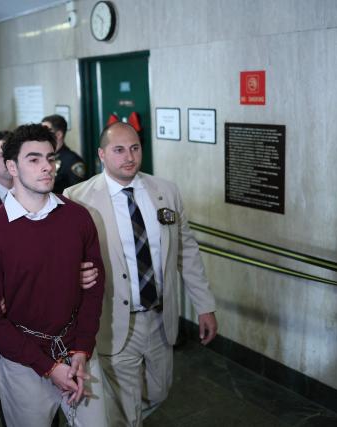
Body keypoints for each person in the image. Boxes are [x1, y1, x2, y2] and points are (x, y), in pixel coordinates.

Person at [64, 122, 218, 426]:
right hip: (114, 320)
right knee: (125, 410)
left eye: (135, 148)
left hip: (160, 319)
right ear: (101, 155)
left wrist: (205, 305)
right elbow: (64, 260)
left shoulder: (165, 191)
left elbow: (185, 250)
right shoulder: (77, 198)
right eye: (118, 150)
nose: (129, 157)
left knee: (159, 391)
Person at [0, 124, 107, 427]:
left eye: (50, 158)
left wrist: (83, 348)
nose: (47, 166)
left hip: (77, 353)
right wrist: (47, 367)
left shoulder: (78, 217)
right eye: (34, 159)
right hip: (22, 361)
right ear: (11, 167)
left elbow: (95, 287)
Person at [41, 114, 86, 194]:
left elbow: (79, 194)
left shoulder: (72, 161)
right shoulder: (43, 158)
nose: (41, 136)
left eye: (46, 131)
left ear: (58, 135)